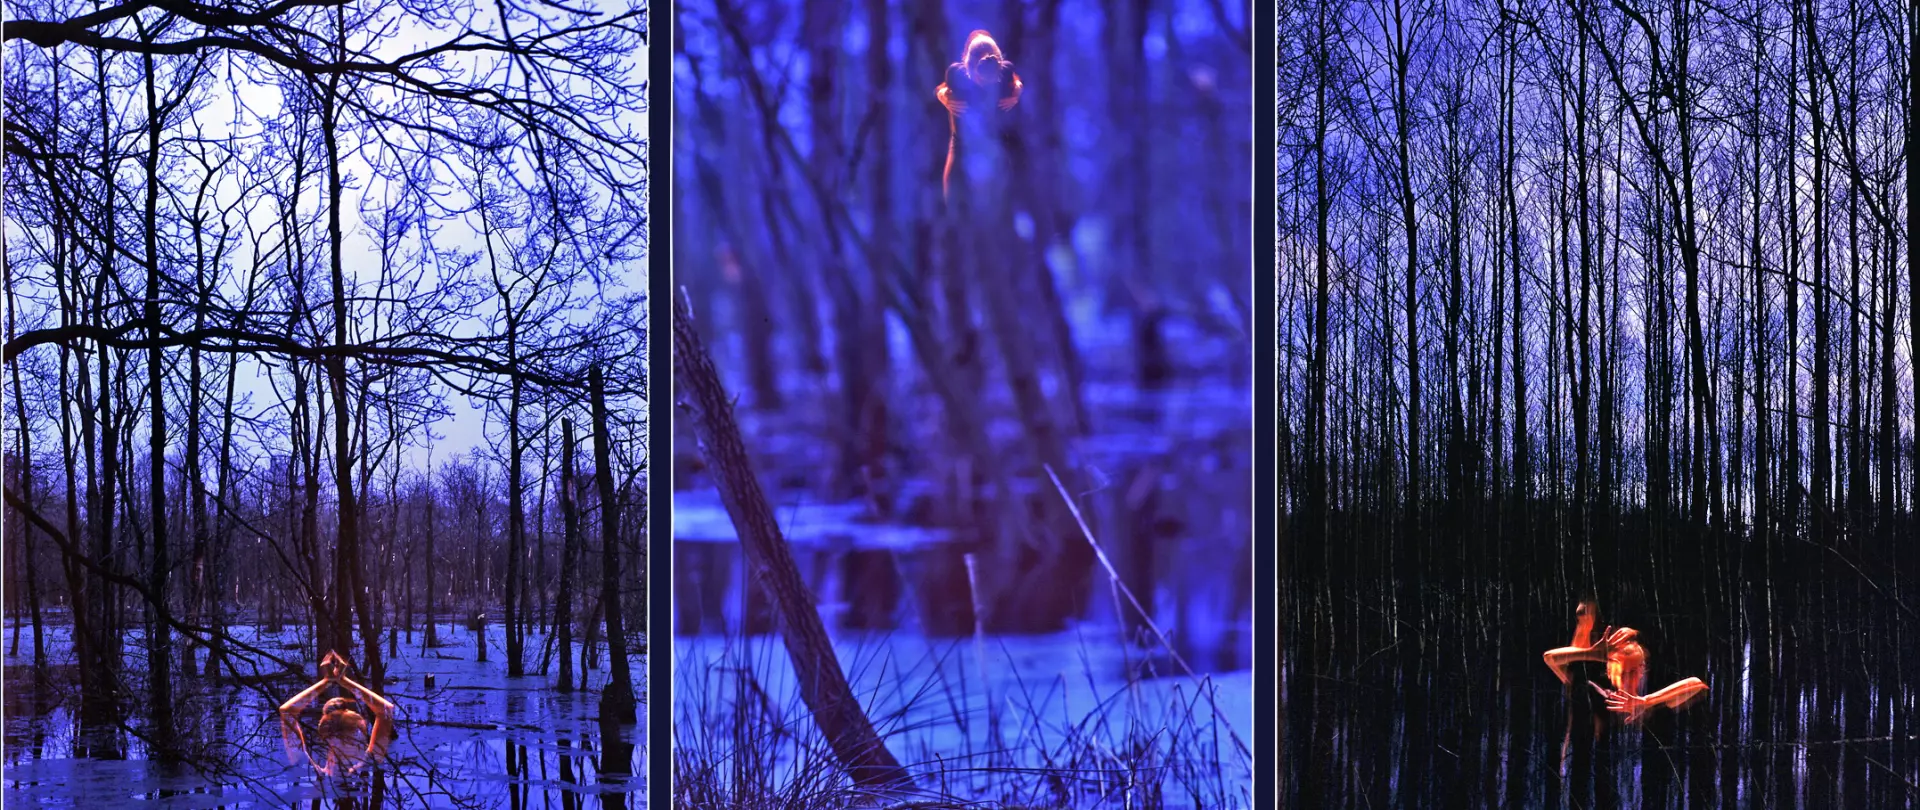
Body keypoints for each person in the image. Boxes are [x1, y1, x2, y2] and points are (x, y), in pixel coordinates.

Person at [1543, 610, 1709, 724]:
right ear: (1609, 672)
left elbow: (1698, 684)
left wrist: (1646, 701)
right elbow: (1550, 658)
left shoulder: (1653, 701)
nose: (1628, 678)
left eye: (1633, 671)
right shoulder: (1593, 691)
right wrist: (1590, 654)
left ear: (1643, 670)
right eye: (1622, 673)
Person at [280, 650, 397, 777]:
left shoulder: (311, 772)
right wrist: (344, 681)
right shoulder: (369, 764)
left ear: (325, 734)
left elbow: (287, 712)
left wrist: (325, 682)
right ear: (359, 734)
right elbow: (385, 710)